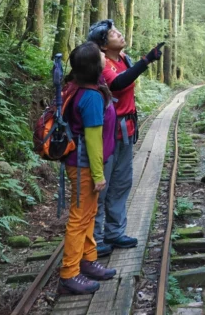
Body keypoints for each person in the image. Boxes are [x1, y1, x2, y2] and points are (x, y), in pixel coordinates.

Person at [86, 19, 163, 256]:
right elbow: (119, 84)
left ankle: (115, 232)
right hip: (108, 131)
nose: (119, 35)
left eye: (118, 31)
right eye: (113, 34)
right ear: (102, 45)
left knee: (122, 183)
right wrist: (146, 60)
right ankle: (96, 239)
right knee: (102, 186)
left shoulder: (123, 59)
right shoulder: (102, 63)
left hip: (127, 129)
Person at [58, 41, 118, 295]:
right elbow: (93, 141)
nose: (105, 58)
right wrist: (98, 175)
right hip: (84, 166)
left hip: (81, 164)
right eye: (100, 56)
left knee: (88, 215)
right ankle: (70, 273)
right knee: (79, 218)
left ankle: (88, 259)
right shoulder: (91, 98)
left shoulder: (79, 88)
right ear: (94, 66)